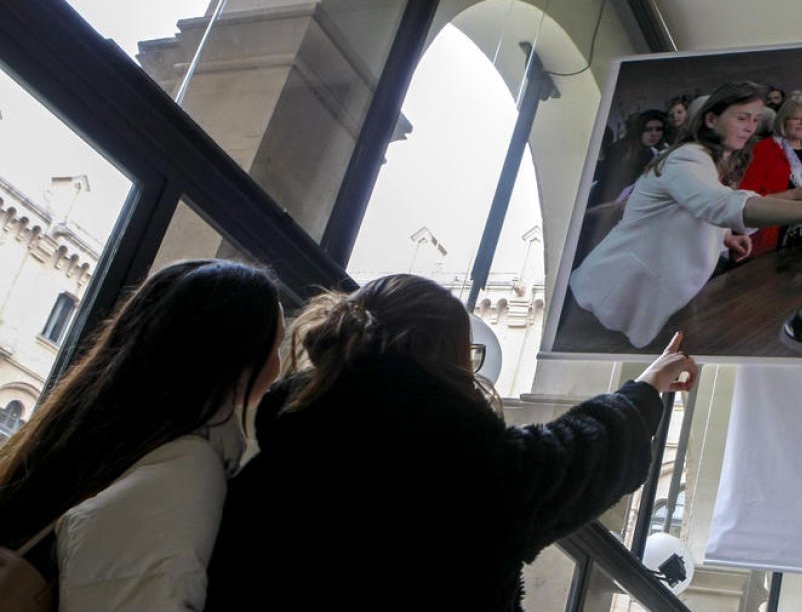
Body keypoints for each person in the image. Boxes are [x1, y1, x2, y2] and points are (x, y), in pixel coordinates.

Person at [204, 275, 699, 611]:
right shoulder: (473, 474)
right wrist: (648, 386)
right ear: (443, 356)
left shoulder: (268, 469)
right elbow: (583, 450)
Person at [0, 259, 284, 611]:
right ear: (239, 358)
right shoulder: (190, 469)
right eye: (276, 348)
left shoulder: (87, 423)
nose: (280, 368)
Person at [570, 82, 802, 349]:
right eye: (742, 117)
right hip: (609, 300)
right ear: (711, 119)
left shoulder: (712, 160)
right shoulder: (687, 157)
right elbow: (720, 204)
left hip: (641, 296)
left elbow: (688, 212)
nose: (750, 127)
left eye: (755, 119)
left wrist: (722, 235)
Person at [741, 95, 802, 255]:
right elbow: (748, 201)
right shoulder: (763, 149)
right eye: (797, 118)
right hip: (773, 232)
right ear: (783, 120)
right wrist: (794, 194)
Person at [591, 109, 668, 205]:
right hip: (605, 204)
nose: (654, 134)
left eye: (659, 129)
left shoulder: (652, 153)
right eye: (648, 129)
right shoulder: (619, 149)